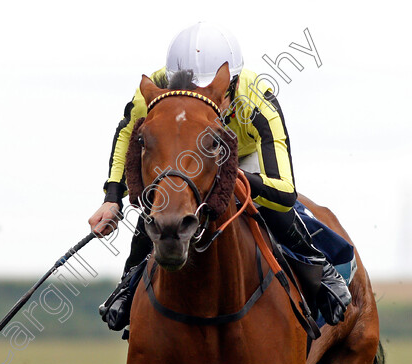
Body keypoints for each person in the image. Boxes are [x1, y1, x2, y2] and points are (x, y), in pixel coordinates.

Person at [91, 22, 351, 331]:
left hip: (244, 157)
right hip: (187, 158)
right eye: (191, 90)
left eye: (210, 90)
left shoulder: (256, 102)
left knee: (269, 206)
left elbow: (284, 193)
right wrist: (111, 199)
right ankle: (129, 283)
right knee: (162, 200)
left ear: (234, 82)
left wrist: (233, 176)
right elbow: (128, 136)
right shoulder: (155, 88)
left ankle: (318, 268)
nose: (201, 97)